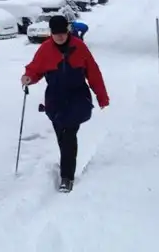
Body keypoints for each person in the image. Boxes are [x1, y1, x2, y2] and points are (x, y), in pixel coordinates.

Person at [20, 14, 109, 192]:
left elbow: (93, 72)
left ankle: (66, 177)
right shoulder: (45, 49)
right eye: (56, 34)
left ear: (68, 32)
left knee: (68, 133)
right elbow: (35, 69)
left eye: (63, 33)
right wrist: (28, 77)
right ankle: (66, 163)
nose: (60, 37)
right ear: (51, 33)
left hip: (77, 97)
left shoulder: (79, 47)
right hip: (55, 99)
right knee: (62, 135)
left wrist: (101, 96)